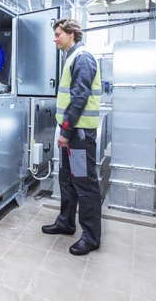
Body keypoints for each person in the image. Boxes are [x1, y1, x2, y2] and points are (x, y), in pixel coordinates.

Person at [41, 18, 102, 256]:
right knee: (66, 177)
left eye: (58, 34)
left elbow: (79, 98)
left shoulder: (83, 58)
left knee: (84, 184)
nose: (55, 38)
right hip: (71, 132)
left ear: (71, 34)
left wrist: (65, 132)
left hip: (78, 134)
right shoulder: (72, 58)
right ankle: (66, 221)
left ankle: (90, 237)